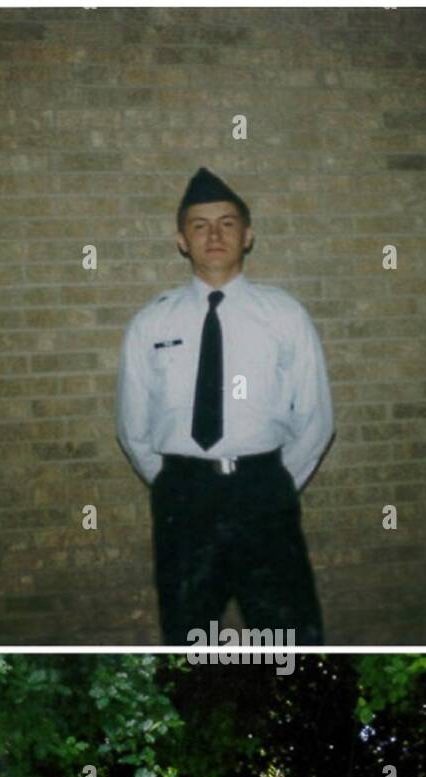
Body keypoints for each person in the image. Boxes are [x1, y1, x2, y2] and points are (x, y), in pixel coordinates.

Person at [115, 167, 334, 645]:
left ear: (248, 235)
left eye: (228, 223)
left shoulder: (284, 315)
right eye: (199, 225)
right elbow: (133, 428)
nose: (214, 235)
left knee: (291, 638)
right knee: (189, 637)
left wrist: (269, 483)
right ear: (181, 239)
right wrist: (180, 481)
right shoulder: (152, 322)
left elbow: (315, 419)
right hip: (184, 500)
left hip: (264, 493)